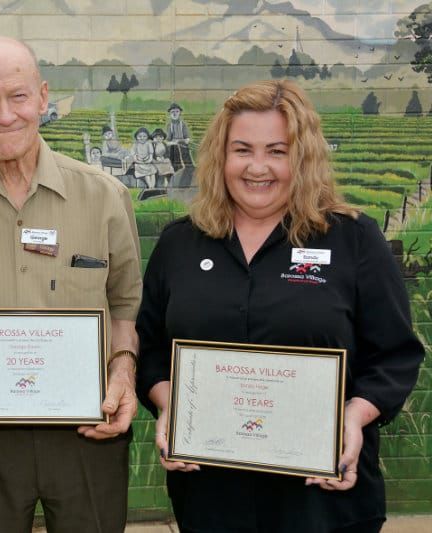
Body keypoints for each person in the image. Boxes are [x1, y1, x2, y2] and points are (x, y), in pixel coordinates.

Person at [136, 80, 423, 532]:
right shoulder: (179, 245)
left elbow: (395, 356)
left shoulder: (354, 239)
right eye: (242, 150)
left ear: (302, 158)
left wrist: (355, 415)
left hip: (322, 501)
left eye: (277, 151)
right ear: (221, 156)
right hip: (213, 498)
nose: (257, 167)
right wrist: (168, 402)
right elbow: (150, 347)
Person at [0, 36, 142, 533]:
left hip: (88, 430)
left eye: (17, 97)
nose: (4, 115)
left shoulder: (104, 197)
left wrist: (122, 374)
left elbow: (125, 307)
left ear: (42, 97)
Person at [165, 102, 193, 170]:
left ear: (180, 113)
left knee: (187, 160)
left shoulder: (183, 124)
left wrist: (185, 140)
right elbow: (168, 140)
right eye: (172, 112)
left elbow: (187, 138)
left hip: (183, 145)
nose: (175, 113)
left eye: (177, 111)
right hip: (174, 147)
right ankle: (177, 170)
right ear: (170, 114)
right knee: (174, 160)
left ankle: (189, 170)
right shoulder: (169, 125)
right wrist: (173, 142)